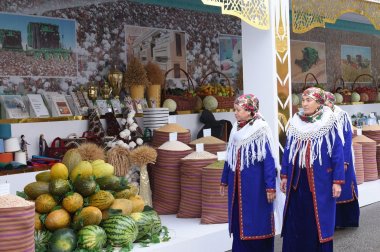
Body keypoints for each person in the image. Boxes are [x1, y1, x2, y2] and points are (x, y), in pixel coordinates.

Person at [280, 87, 345, 252]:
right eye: (303, 100)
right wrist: (285, 175)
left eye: (309, 100)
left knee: (318, 221)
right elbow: (288, 151)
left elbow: (337, 151)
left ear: (319, 102)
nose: (304, 103)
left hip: (320, 182)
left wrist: (337, 181)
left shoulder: (328, 121)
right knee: (297, 220)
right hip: (297, 181)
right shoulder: (296, 121)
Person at [220, 94, 277, 252]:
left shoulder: (261, 129)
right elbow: (229, 156)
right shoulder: (235, 129)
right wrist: (224, 179)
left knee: (257, 221)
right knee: (239, 221)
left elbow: (269, 160)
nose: (235, 113)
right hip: (237, 187)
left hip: (256, 187)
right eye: (235, 109)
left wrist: (270, 186)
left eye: (239, 109)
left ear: (250, 111)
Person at [325, 91, 360, 228]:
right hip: (329, 159)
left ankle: (347, 220)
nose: (324, 105)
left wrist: (344, 161)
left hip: (344, 157)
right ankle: (333, 222)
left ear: (331, 103)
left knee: (345, 187)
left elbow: (347, 138)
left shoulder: (342, 115)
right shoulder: (322, 117)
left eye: (326, 102)